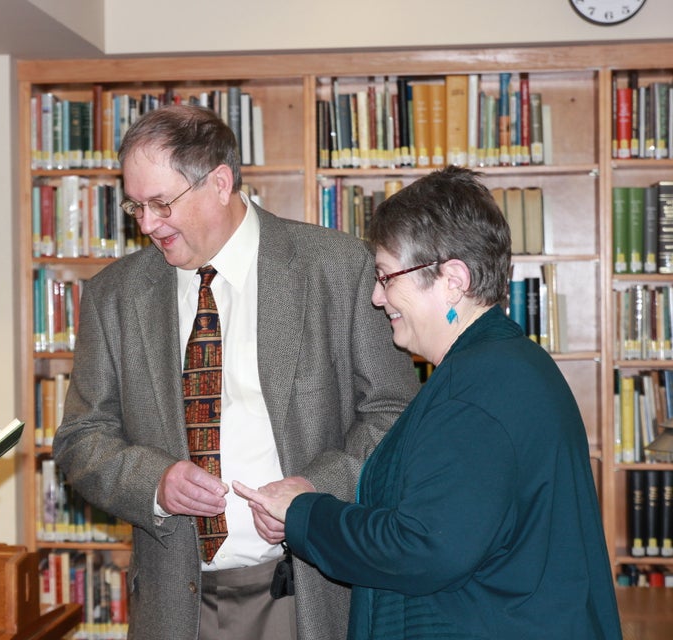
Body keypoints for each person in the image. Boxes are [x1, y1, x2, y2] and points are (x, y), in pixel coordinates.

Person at [51, 104, 419, 640]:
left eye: (161, 203)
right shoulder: (114, 295)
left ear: (220, 183)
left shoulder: (336, 268)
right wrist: (154, 482)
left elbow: (394, 414)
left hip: (308, 590)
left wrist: (315, 493)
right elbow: (81, 439)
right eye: (136, 206)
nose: (148, 224)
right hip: (174, 606)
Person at [234, 166, 622, 639]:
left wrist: (304, 512)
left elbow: (421, 548)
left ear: (453, 279)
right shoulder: (497, 368)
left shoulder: (478, 392)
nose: (377, 298)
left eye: (386, 276)